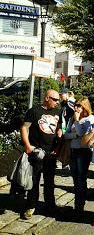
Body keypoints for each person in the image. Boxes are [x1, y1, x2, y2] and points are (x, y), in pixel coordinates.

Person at [20, 89, 60, 220]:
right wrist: (27, 145)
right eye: (55, 99)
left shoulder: (57, 111)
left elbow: (59, 128)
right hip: (37, 152)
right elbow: (24, 127)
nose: (57, 102)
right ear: (47, 98)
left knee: (49, 181)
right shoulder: (34, 111)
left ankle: (50, 206)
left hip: (51, 153)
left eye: (58, 100)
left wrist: (59, 139)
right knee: (34, 181)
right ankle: (31, 206)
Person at [63, 97, 94, 214]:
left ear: (85, 107)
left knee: (81, 179)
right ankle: (78, 205)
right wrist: (75, 135)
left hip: (83, 152)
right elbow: (66, 135)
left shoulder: (90, 119)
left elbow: (83, 134)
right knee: (75, 180)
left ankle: (79, 206)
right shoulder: (73, 118)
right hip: (73, 151)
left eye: (79, 105)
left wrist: (77, 122)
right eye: (75, 105)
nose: (76, 108)